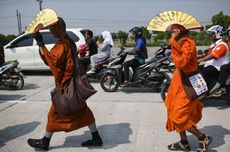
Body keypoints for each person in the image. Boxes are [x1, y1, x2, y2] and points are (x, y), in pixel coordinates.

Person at [27, 17, 103, 151]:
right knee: (83, 111)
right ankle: (96, 137)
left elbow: (53, 63)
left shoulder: (62, 44)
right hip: (72, 85)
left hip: (65, 85)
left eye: (51, 28)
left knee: (53, 114)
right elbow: (54, 60)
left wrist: (41, 44)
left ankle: (45, 142)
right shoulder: (70, 41)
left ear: (58, 28)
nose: (50, 30)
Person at [165, 24, 212, 152]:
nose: (171, 33)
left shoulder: (188, 43)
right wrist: (175, 43)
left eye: (172, 31)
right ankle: (184, 143)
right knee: (172, 112)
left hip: (186, 87)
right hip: (177, 85)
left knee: (179, 116)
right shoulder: (180, 42)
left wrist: (173, 44)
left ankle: (202, 137)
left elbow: (181, 62)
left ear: (178, 31)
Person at [209, 29, 230, 94]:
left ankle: (221, 86)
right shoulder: (220, 42)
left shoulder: (225, 42)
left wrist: (227, 41)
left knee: (224, 67)